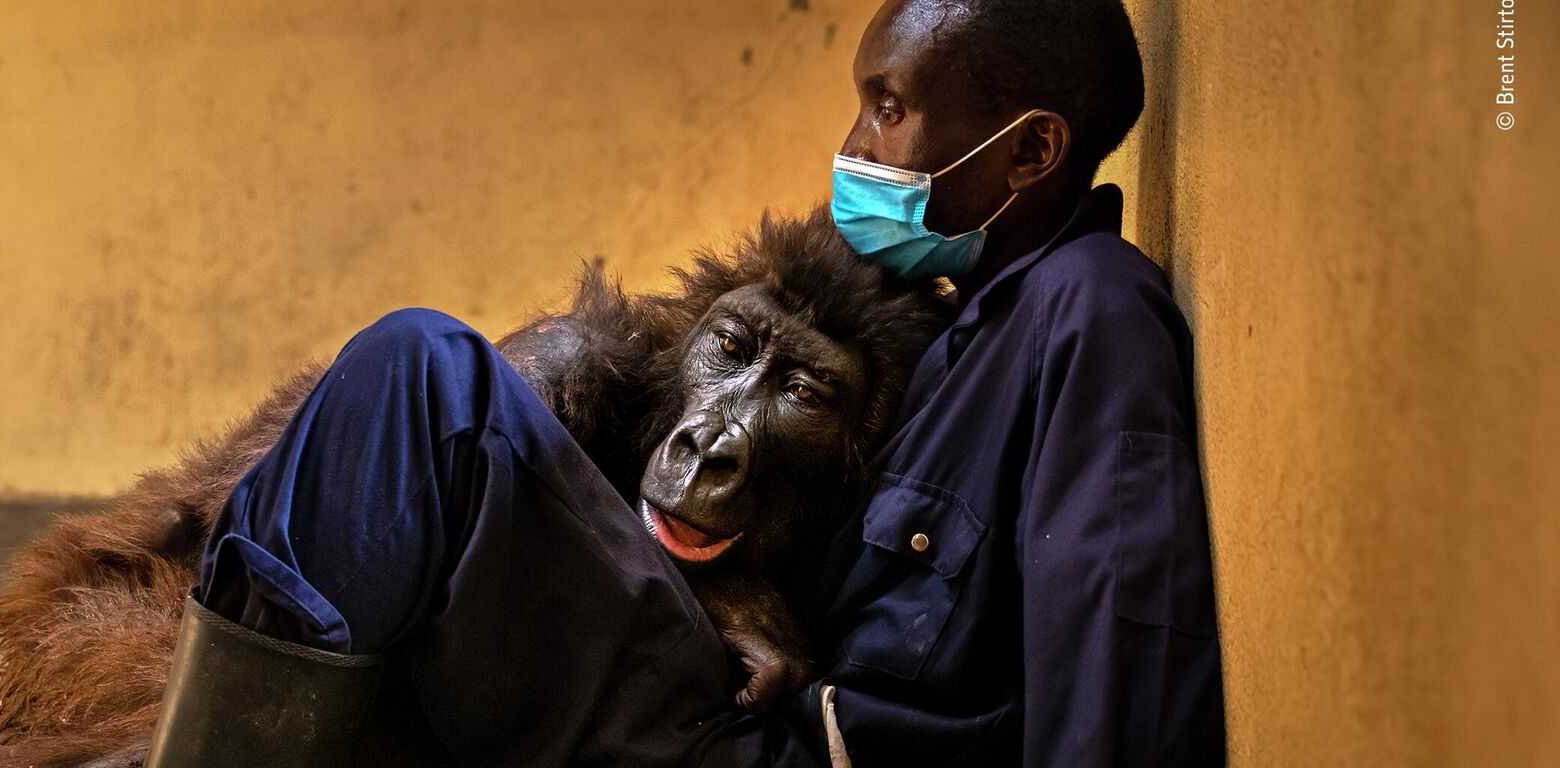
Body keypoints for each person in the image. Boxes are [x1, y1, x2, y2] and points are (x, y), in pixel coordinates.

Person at [146, 0, 1224, 765]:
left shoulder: (1090, 309)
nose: (857, 143)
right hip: (738, 704)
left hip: (763, 749)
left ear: (1031, 150)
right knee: (442, 390)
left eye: (890, 108)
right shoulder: (962, 324)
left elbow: (1120, 645)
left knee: (422, 377)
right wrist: (723, 593)